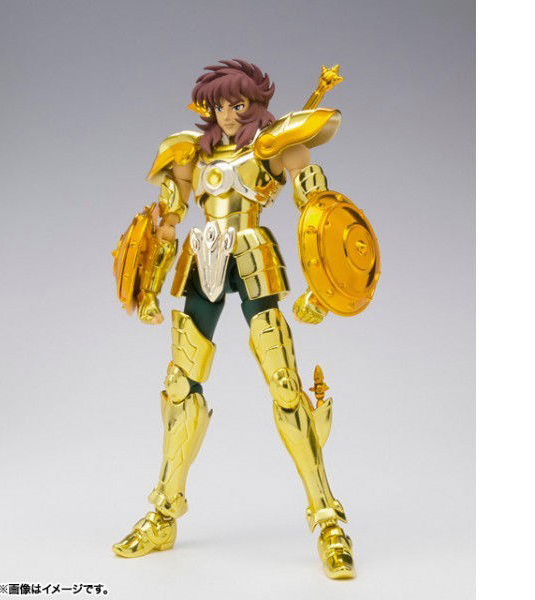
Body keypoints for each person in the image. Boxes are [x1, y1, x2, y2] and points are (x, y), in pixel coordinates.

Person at [112, 59, 357, 579]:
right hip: (202, 257)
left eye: (238, 105)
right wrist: (150, 287)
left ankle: (327, 519)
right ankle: (164, 513)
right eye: (219, 106)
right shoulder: (189, 153)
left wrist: (322, 290)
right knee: (180, 386)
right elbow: (166, 224)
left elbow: (320, 210)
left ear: (256, 105)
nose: (227, 114)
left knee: (285, 384)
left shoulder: (274, 146)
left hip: (252, 256)